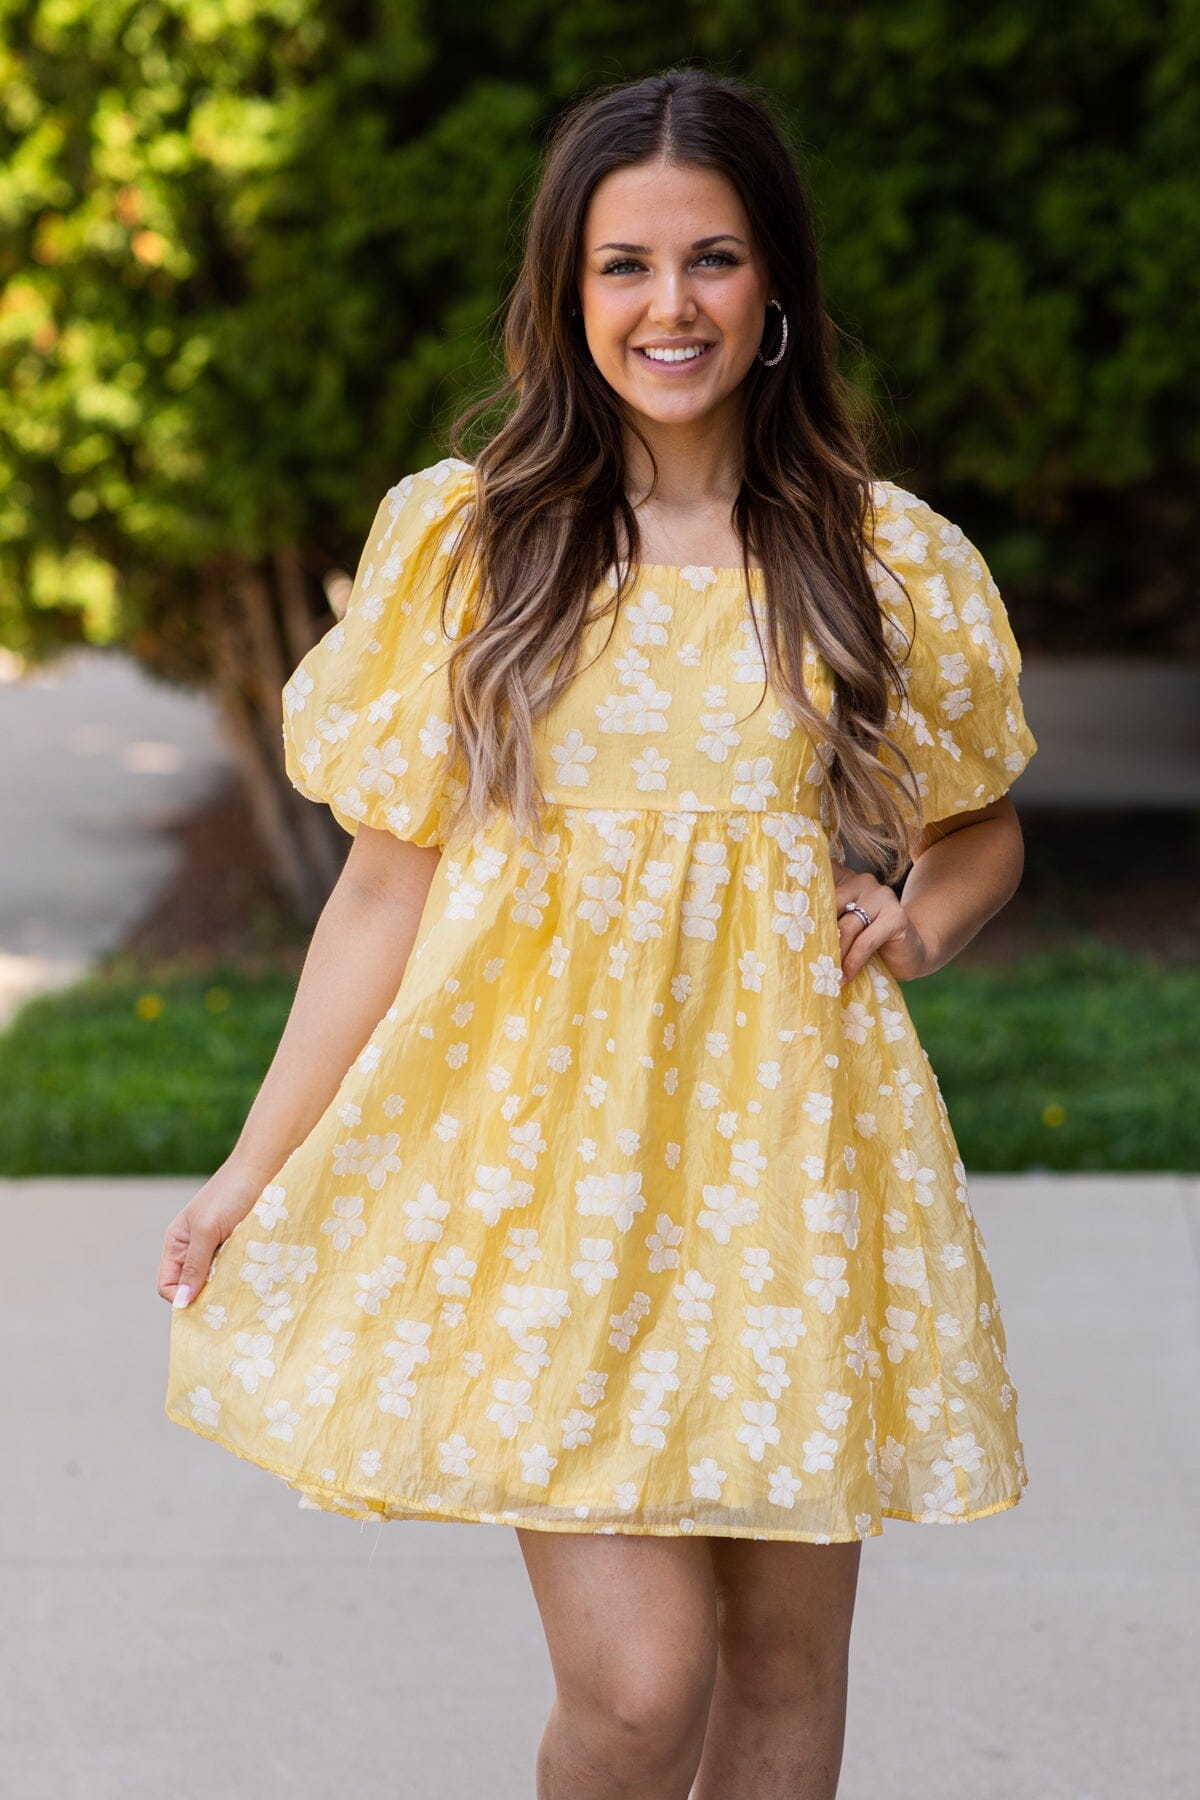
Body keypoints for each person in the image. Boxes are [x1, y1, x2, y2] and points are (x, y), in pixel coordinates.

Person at [159, 66, 1038, 1800]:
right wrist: (251, 1169)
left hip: (791, 1162)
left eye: (710, 259)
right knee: (643, 1688)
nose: (671, 305)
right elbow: (385, 886)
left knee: (787, 1671)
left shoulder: (877, 560)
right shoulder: (477, 548)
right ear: (569, 294)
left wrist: (917, 919)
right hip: (554, 1175)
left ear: (773, 283)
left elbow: (980, 827)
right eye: (625, 266)